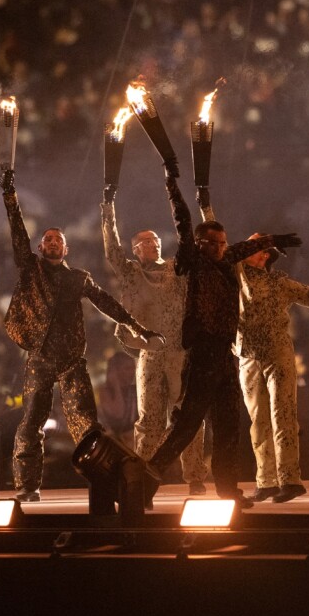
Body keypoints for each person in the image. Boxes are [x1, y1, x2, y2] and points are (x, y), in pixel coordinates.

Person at [0, 170, 160, 501]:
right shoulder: (31, 271)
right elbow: (18, 234)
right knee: (31, 423)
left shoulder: (78, 278)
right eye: (47, 239)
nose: (52, 242)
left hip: (72, 361)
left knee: (87, 427)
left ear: (66, 247)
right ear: (40, 247)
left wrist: (137, 327)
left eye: (58, 239)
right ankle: (26, 487)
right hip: (40, 359)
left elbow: (107, 303)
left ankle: (105, 483)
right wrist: (10, 196)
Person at [144, 176, 300, 508]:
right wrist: (172, 184)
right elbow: (183, 223)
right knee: (186, 426)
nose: (222, 248)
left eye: (224, 243)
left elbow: (244, 247)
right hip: (202, 357)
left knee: (229, 425)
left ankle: (228, 490)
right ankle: (144, 482)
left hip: (224, 356)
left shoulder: (226, 260)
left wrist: (269, 239)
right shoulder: (194, 261)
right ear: (201, 244)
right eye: (216, 243)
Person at [101, 184, 208, 494]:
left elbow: (193, 245)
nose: (153, 245)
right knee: (150, 419)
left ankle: (196, 476)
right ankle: (141, 479)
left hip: (179, 352)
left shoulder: (178, 269)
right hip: (149, 352)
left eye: (156, 240)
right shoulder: (132, 273)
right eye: (146, 242)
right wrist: (108, 209)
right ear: (136, 249)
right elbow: (112, 251)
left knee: (188, 414)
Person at [235, 236, 309, 503]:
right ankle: (266, 481)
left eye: (259, 250)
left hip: (277, 353)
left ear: (266, 256)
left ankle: (289, 480)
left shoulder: (278, 281)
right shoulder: (236, 275)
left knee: (283, 414)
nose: (253, 252)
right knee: (258, 421)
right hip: (248, 356)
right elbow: (229, 254)